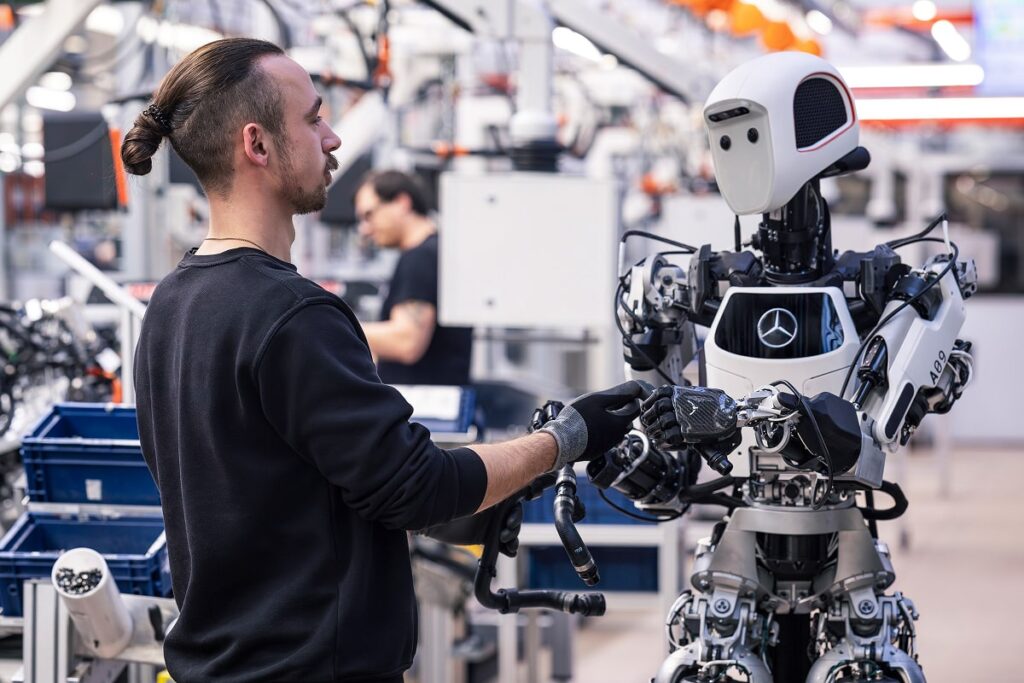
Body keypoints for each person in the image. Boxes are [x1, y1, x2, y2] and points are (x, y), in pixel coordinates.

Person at [123, 37, 645, 683]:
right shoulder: (293, 314)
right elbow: (420, 488)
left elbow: (262, 489)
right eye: (313, 119)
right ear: (256, 145)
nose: (334, 137)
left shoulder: (170, 303)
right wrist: (567, 436)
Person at [355, 170, 473, 385]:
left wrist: (340, 327)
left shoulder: (420, 257)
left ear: (402, 202)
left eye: (369, 214)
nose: (365, 229)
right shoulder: (437, 251)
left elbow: (407, 342)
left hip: (427, 409)